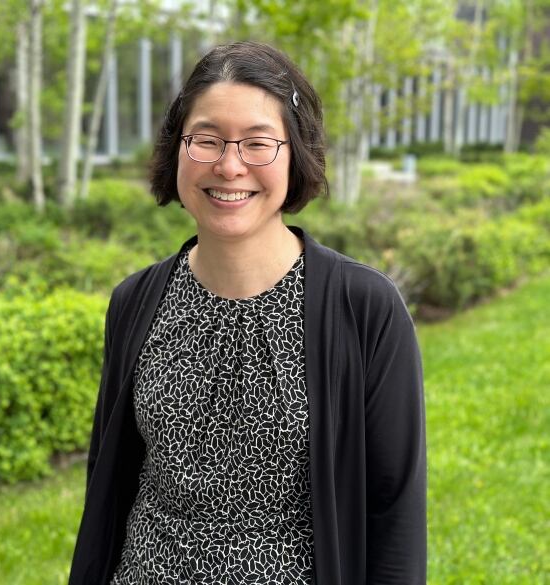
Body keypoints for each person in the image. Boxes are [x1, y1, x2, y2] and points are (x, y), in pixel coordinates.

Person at [68, 41, 426, 585]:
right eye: (206, 140)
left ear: (295, 153)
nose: (229, 165)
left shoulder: (364, 309)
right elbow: (110, 483)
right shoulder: (135, 302)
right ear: (177, 149)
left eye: (258, 143)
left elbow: (394, 514)